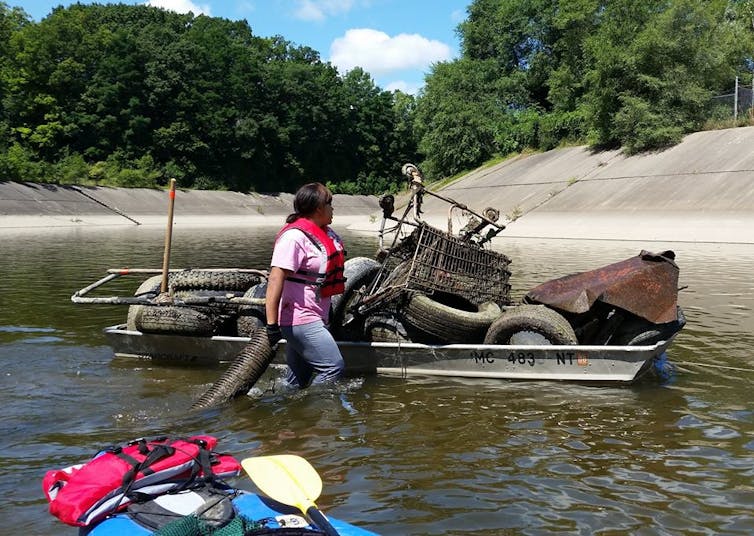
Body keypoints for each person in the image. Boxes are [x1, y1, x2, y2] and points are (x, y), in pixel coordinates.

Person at [265, 182, 347, 388]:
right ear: (319, 207)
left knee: (297, 381)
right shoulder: (294, 237)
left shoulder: (325, 233)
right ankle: (317, 413)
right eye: (330, 203)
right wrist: (271, 324)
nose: (333, 208)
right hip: (299, 318)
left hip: (316, 315)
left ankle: (287, 413)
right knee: (333, 367)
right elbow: (276, 278)